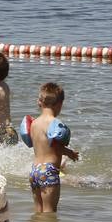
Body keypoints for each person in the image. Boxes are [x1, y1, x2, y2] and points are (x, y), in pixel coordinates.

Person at [19, 82, 78, 213]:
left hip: (34, 171)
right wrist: (70, 153)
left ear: (39, 102)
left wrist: (68, 152)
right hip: (49, 171)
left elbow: (44, 145)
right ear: (60, 104)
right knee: (49, 212)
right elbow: (56, 148)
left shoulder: (33, 124)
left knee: (38, 210)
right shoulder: (55, 124)